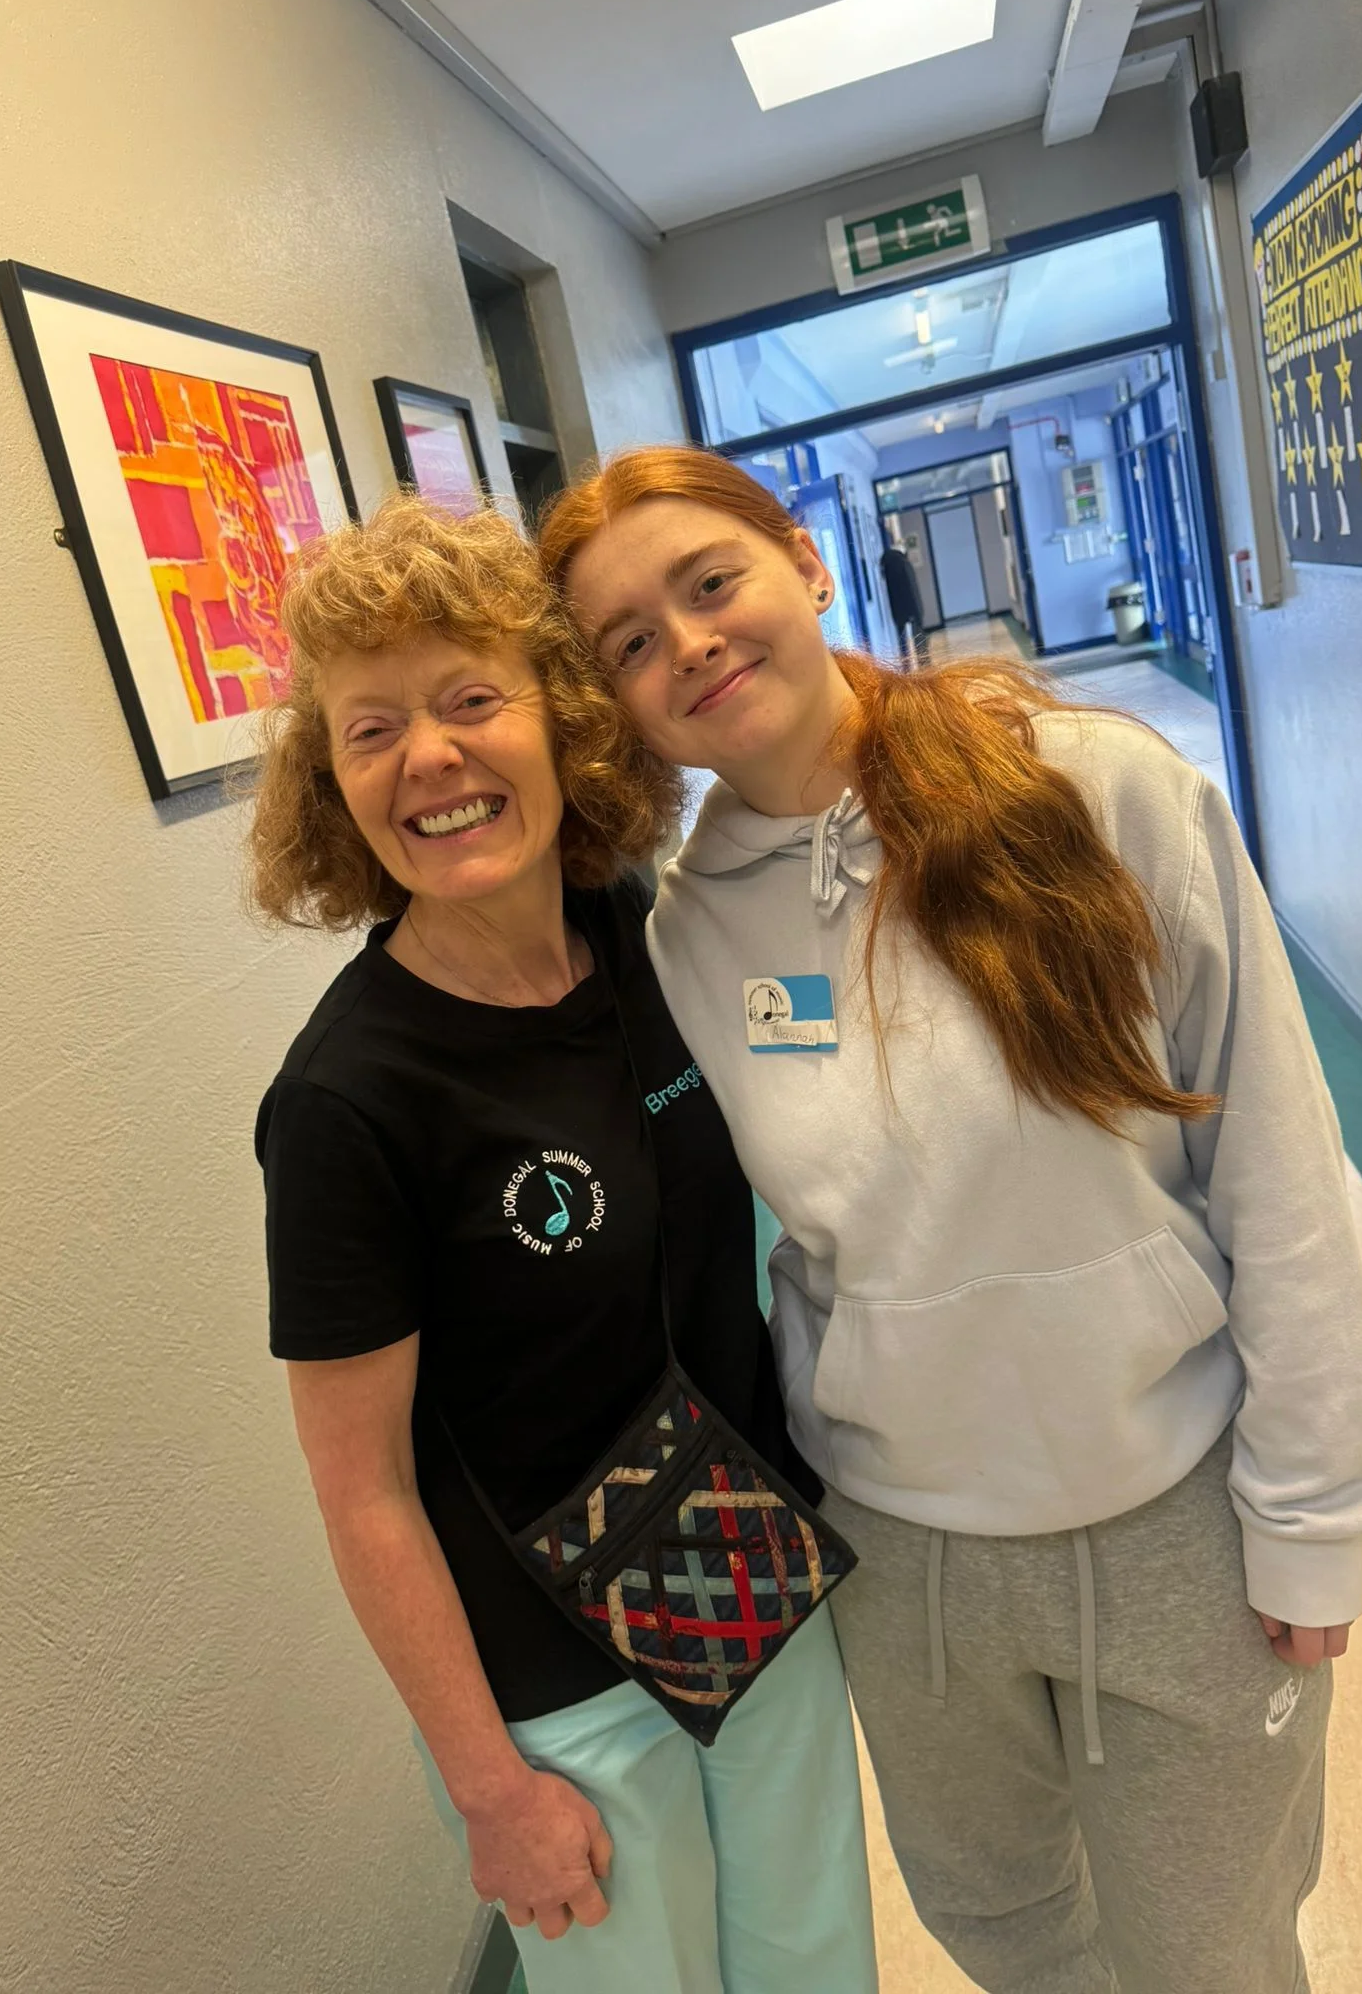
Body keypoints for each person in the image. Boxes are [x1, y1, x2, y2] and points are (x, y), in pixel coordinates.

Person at [539, 446, 1362, 1994]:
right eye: (631, 642)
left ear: (806, 564)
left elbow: (1275, 1161)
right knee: (1006, 1933)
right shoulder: (681, 935)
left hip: (1177, 1514)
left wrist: (1312, 1517)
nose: (691, 645)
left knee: (1211, 1954)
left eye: (711, 583)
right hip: (907, 1553)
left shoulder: (1092, 789)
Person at [249, 495, 875, 1994]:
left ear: (564, 723)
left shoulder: (637, 932)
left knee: (817, 1971)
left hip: (748, 1583)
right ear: (334, 786)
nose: (431, 757)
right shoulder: (347, 1101)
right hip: (559, 1693)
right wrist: (489, 1791)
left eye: (472, 701)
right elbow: (364, 1491)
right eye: (372, 730)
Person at [877, 536, 926, 666]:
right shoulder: (903, 563)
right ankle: (922, 661)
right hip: (911, 607)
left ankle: (905, 662)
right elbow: (912, 587)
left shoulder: (887, 563)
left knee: (901, 637)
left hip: (897, 608)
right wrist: (918, 611)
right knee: (918, 635)